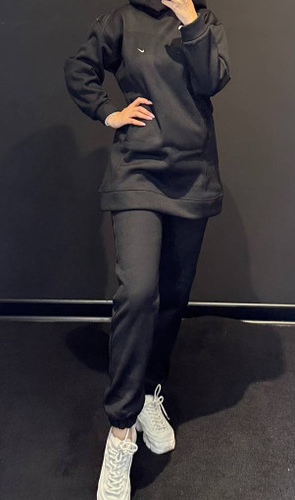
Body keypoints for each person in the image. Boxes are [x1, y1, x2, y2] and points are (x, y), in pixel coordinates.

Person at [63, 0, 231, 497]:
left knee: (173, 297)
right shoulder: (122, 20)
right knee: (138, 293)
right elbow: (79, 67)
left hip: (193, 178)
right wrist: (108, 112)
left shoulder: (205, 22)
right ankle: (121, 430)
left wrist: (189, 19)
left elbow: (212, 81)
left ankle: (150, 391)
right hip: (137, 174)